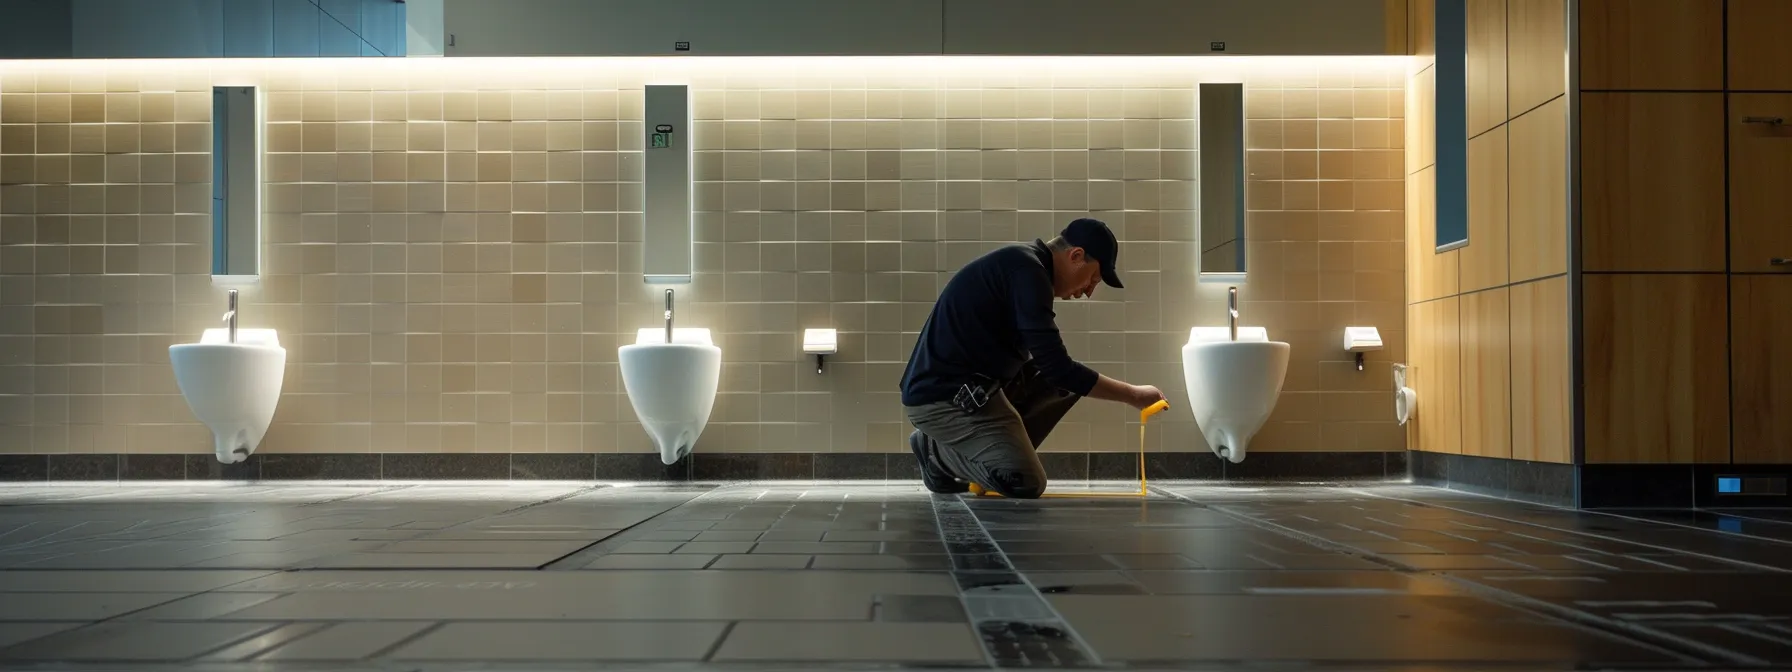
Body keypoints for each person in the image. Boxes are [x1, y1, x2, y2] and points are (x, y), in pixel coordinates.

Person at [900, 218, 1166, 499]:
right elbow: (1060, 368)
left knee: (1057, 384)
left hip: (973, 392)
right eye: (1093, 278)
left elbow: (1052, 369)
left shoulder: (1025, 267)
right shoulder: (1027, 272)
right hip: (940, 400)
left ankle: (965, 450)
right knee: (1024, 481)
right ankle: (934, 453)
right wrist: (1132, 394)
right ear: (1076, 256)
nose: (1089, 290)